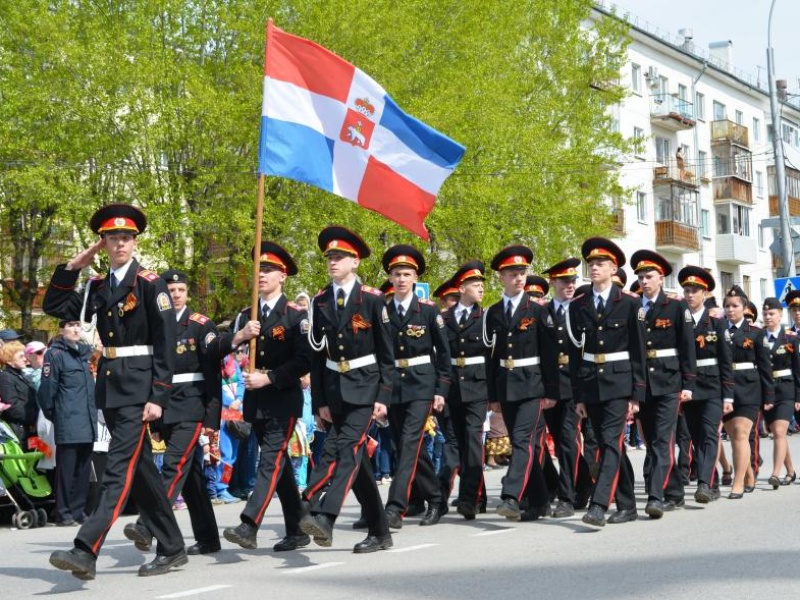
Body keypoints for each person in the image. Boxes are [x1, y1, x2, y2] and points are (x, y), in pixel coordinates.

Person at [43, 203, 185, 580]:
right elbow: (54, 305)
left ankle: (85, 549)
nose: (120, 243)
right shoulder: (96, 287)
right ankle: (172, 547)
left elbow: (166, 343)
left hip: (140, 390)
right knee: (141, 474)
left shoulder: (150, 283)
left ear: (134, 241)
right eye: (111, 238)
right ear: (102, 244)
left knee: (118, 472)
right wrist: (75, 264)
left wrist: (159, 395)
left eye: (126, 237)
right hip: (111, 388)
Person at [300, 226, 394, 553]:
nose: (332, 262)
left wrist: (384, 396)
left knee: (347, 450)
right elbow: (317, 357)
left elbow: (387, 355)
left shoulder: (372, 299)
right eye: (329, 257)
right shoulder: (320, 301)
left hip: (366, 387)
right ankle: (381, 532)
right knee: (359, 465)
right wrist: (319, 403)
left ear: (355, 262)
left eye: (339, 257)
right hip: (335, 390)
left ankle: (324, 515)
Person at [122, 269, 222, 556]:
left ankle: (147, 524)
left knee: (173, 466)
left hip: (192, 407)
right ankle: (208, 538)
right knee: (191, 478)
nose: (176, 295)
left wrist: (212, 419)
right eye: (171, 291)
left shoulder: (200, 326)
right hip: (164, 407)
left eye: (181, 290)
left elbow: (212, 376)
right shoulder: (155, 324)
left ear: (187, 293)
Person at [222, 242, 311, 552]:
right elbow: (230, 350)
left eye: (269, 269)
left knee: (269, 460)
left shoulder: (295, 315)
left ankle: (249, 525)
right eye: (259, 268)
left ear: (282, 276)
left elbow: (303, 360)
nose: (262, 274)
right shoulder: (247, 314)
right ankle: (298, 528)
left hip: (282, 398)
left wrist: (269, 378)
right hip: (255, 400)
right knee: (280, 467)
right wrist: (242, 335)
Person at [568, 237, 646, 527]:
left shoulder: (629, 304)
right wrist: (577, 395)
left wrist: (637, 394)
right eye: (591, 263)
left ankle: (599, 504)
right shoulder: (578, 305)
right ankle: (628, 506)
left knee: (610, 443)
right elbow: (575, 352)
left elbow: (639, 351)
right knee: (607, 442)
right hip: (590, 383)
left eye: (600, 263)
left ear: (614, 268)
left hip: (619, 382)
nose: (594, 268)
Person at [485, 245, 558, 522]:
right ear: (501, 278)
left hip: (532, 385)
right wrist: (492, 395)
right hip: (505, 386)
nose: (518, 278)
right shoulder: (492, 313)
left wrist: (551, 391)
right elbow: (490, 358)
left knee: (523, 442)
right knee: (521, 443)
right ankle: (540, 501)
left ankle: (511, 497)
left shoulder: (537, 311)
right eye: (512, 273)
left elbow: (550, 355)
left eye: (522, 272)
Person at [380, 244, 450, 528]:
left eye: (407, 274)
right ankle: (436, 499)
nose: (401, 279)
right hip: (393, 386)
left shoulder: (428, 311)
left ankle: (395, 508)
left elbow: (443, 355)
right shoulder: (382, 311)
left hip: (422, 385)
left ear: (415, 278)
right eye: (397, 274)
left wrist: (440, 390)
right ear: (390, 277)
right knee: (409, 448)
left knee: (410, 443)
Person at [630, 249, 696, 517]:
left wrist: (688, 383)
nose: (644, 281)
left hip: (669, 381)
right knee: (651, 439)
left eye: (649, 276)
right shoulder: (634, 307)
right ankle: (676, 491)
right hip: (643, 383)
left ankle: (655, 496)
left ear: (661, 278)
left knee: (661, 439)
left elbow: (687, 346)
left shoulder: (676, 306)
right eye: (641, 277)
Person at [674, 267, 733, 504]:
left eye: (695, 291)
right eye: (687, 290)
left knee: (709, 433)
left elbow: (726, 360)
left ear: (705, 293)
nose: (690, 295)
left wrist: (728, 394)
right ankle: (714, 479)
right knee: (695, 437)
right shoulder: (679, 320)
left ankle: (704, 484)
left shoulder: (717, 323)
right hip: (687, 387)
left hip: (712, 386)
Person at [541, 258, 592, 517]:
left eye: (573, 280)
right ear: (553, 283)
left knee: (568, 439)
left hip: (575, 384)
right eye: (564, 281)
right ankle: (584, 484)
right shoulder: (542, 312)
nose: (570, 285)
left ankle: (567, 497)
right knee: (561, 444)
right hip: (550, 387)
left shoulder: (582, 309)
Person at [439, 261, 490, 520]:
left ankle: (470, 497)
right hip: (452, 389)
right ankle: (469, 496)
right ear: (462, 288)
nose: (481, 288)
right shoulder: (444, 319)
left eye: (482, 284)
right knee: (457, 443)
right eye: (475, 284)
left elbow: (492, 356)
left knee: (472, 440)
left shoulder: (486, 317)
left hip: (478, 387)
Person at [36, 320, 97, 526]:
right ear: (62, 329)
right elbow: (46, 390)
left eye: (78, 325)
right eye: (70, 325)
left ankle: (79, 511)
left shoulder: (84, 353)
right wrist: (56, 414)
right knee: (67, 469)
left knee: (83, 469)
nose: (75, 329)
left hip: (87, 419)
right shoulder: (55, 354)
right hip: (68, 418)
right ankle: (64, 513)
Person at [722, 286, 773, 499]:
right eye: (727, 306)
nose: (730, 310)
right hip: (725, 388)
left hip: (749, 388)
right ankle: (749, 473)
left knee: (742, 434)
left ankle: (738, 482)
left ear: (744, 308)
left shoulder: (756, 333)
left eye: (735, 306)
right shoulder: (718, 331)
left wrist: (768, 396)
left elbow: (765, 366)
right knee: (733, 436)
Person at [760, 297, 799, 488]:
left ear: (780, 315)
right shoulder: (758, 337)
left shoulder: (791, 338)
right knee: (778, 434)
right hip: (767, 391)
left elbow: (798, 370)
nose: (768, 317)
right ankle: (790, 471)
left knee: (779, 431)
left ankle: (775, 474)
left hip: (786, 389)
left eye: (772, 313)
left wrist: (798, 396)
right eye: (765, 313)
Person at [0, 341, 39, 449]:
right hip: (20, 433)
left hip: (30, 431)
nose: (26, 359)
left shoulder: (22, 376)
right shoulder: (5, 377)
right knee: (26, 464)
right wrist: (36, 418)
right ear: (9, 360)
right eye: (21, 356)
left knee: (39, 459)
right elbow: (12, 406)